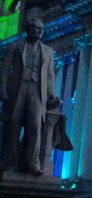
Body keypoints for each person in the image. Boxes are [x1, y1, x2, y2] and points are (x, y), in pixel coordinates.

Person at [1, 16, 59, 175]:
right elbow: (5, 70)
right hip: (18, 89)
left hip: (36, 90)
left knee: (35, 127)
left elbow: (49, 75)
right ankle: (11, 163)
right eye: (36, 29)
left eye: (41, 30)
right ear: (28, 30)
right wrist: (3, 91)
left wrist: (52, 94)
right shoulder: (15, 46)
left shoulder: (47, 51)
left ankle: (32, 163)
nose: (38, 32)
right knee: (14, 126)